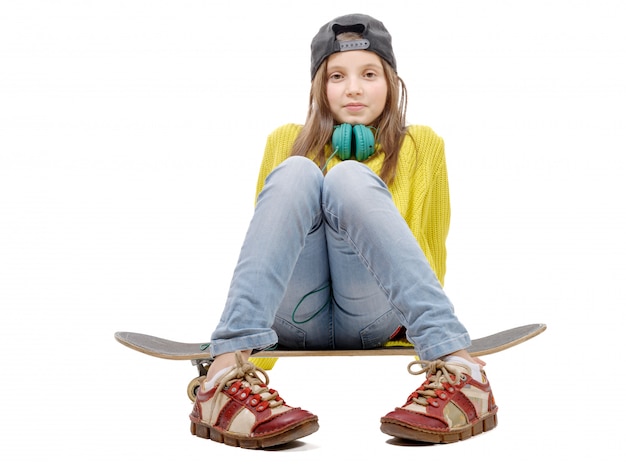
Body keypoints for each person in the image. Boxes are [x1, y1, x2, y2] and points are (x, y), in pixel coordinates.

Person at [189, 13, 498, 448]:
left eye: (368, 74)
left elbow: (429, 243)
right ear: (321, 87)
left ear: (390, 82)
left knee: (349, 178)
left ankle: (458, 367)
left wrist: (420, 336)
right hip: (293, 315)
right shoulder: (285, 141)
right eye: (338, 76)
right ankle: (224, 372)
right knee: (296, 170)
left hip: (374, 312)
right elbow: (268, 241)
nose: (353, 88)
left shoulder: (422, 145)